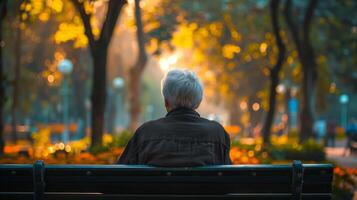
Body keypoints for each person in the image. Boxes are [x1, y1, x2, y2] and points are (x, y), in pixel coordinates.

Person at [117, 69, 232, 166]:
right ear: (198, 102)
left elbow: (119, 174)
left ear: (166, 102)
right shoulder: (217, 133)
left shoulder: (145, 133)